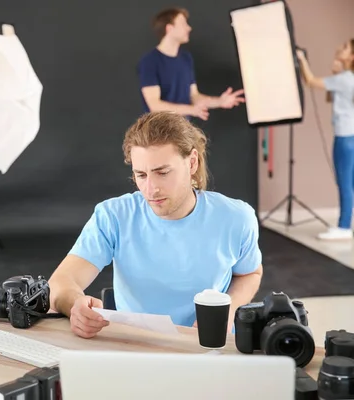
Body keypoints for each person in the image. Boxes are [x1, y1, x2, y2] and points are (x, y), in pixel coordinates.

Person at [48, 111, 263, 339]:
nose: (150, 189)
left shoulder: (236, 218)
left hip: (209, 345)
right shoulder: (113, 216)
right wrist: (75, 306)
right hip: (136, 348)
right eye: (141, 175)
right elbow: (61, 283)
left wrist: (227, 311)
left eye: (162, 172)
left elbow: (250, 274)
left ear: (192, 162)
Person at [138, 7, 245, 121]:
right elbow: (155, 105)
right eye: (183, 24)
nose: (189, 28)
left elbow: (194, 96)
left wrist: (220, 101)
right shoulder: (149, 62)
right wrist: (191, 110)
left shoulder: (186, 58)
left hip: (182, 129)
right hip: (159, 132)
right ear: (170, 28)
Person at [296, 40, 354, 240]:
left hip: (346, 138)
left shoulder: (346, 78)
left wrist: (302, 58)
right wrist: (336, 73)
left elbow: (310, 81)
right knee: (348, 183)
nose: (341, 48)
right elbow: (331, 98)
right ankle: (345, 224)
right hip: (349, 136)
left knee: (345, 183)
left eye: (346, 47)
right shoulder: (346, 78)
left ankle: (344, 227)